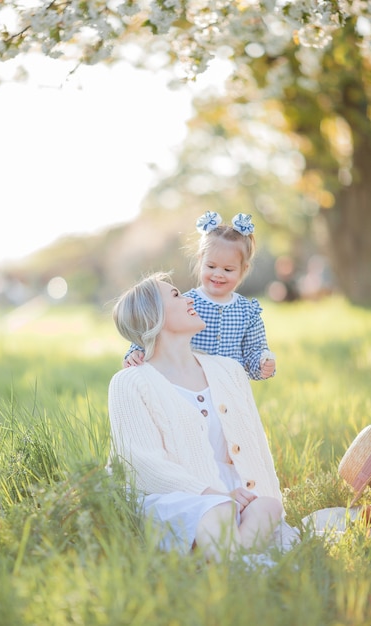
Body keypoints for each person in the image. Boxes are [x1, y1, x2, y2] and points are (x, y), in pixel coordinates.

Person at [108, 272, 287, 564]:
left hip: (229, 491)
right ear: (153, 313)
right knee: (217, 510)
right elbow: (142, 464)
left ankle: (232, 560)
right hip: (172, 496)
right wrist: (211, 493)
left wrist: (255, 494)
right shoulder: (129, 382)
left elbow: (255, 445)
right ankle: (240, 565)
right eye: (176, 295)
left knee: (268, 507)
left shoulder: (229, 370)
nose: (190, 298)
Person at [124, 211, 276, 381]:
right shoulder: (184, 303)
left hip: (231, 386)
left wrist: (263, 364)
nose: (218, 274)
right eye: (211, 266)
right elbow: (155, 329)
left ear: (243, 269)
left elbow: (254, 351)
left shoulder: (248, 311)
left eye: (228, 270)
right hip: (190, 383)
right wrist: (136, 351)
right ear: (200, 261)